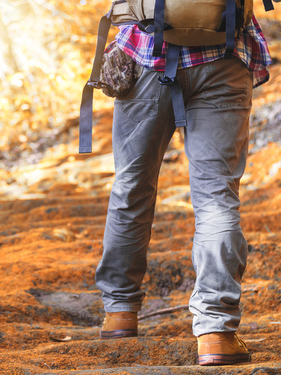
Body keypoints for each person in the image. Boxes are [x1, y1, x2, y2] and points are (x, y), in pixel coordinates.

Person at [95, 15, 272, 366]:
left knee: (132, 188)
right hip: (223, 57)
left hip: (146, 55)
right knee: (216, 197)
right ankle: (216, 332)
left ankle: (120, 312)